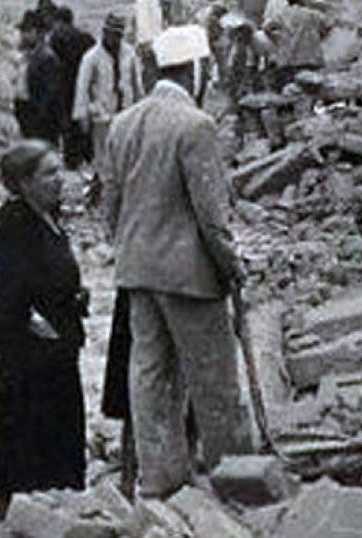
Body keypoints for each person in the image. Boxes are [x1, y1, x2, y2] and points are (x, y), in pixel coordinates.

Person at [102, 24, 251, 500]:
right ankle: (235, 477)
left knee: (148, 375)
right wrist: (232, 265)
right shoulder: (196, 126)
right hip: (189, 277)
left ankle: (158, 476)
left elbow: (110, 206)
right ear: (196, 70)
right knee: (214, 381)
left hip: (137, 271)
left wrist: (129, 248)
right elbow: (212, 215)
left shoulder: (123, 123)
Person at [0, 141, 87, 523]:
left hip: (53, 339)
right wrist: (44, 331)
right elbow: (7, 292)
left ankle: (49, 497)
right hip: (19, 344)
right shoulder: (12, 223)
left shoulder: (48, 215)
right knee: (16, 417)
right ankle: (9, 501)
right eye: (48, 174)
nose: (59, 180)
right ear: (24, 182)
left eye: (58, 170)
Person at [73, 12, 142, 185]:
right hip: (103, 115)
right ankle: (105, 188)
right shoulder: (92, 57)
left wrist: (141, 108)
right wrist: (82, 115)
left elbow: (136, 84)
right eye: (112, 34)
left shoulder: (129, 54)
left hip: (126, 113)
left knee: (126, 154)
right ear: (105, 32)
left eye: (119, 35)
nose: (115, 39)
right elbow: (82, 88)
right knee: (104, 158)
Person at [49, 6, 95, 169]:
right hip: (83, 86)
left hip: (65, 87)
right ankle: (88, 156)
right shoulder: (86, 38)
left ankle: (72, 159)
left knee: (68, 124)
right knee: (84, 123)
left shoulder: (56, 38)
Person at [264, 0, 330, 91]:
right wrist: (320, 38)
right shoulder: (311, 14)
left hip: (288, 60)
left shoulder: (282, 14)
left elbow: (266, 27)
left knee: (289, 92)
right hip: (310, 59)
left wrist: (277, 39)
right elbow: (328, 24)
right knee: (311, 92)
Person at [14, 9, 63, 146]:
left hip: (39, 119)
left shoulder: (46, 58)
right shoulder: (27, 56)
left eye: (28, 31)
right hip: (26, 113)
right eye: (23, 31)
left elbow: (49, 95)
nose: (24, 35)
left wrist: (38, 120)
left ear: (40, 33)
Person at [134, 0, 164, 93]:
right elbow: (143, 20)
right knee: (150, 72)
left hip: (155, 40)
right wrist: (148, 41)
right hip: (149, 41)